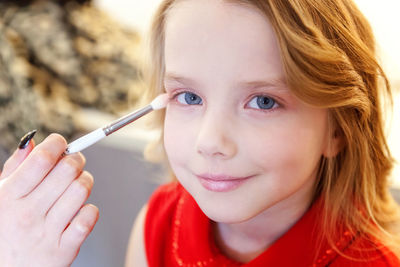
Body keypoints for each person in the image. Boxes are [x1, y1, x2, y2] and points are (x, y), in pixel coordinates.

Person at [1, 0, 399, 266]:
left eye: (263, 102)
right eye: (189, 96)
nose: (209, 141)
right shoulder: (162, 219)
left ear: (338, 129)